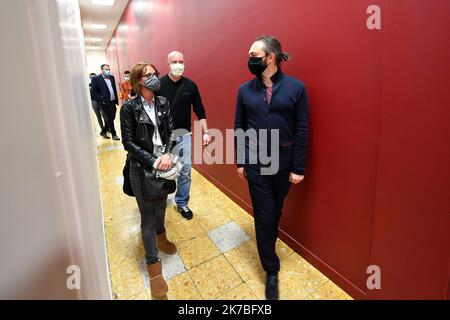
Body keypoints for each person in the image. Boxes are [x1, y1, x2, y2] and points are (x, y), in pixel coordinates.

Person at [234, 35, 309, 300]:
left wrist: (298, 167)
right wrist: (241, 160)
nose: (250, 59)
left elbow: (302, 129)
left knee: (275, 211)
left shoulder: (296, 88)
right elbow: (240, 128)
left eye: (254, 55)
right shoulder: (244, 90)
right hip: (255, 163)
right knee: (265, 216)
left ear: (271, 57)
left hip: (284, 164)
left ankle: (268, 241)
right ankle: (271, 269)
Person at [120, 61, 177, 298]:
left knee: (162, 204)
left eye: (155, 74)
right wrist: (154, 160)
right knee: (147, 217)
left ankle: (161, 238)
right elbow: (128, 142)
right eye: (147, 75)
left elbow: (172, 132)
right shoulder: (129, 108)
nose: (154, 78)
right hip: (141, 167)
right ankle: (154, 270)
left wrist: (166, 155)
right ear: (137, 81)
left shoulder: (163, 102)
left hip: (163, 163)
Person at [158, 51, 211, 220]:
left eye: (181, 61)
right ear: (167, 64)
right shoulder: (158, 85)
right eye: (174, 61)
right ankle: (159, 198)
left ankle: (181, 202)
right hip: (162, 137)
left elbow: (200, 110)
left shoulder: (190, 86)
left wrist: (206, 132)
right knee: (161, 170)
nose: (178, 64)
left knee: (185, 171)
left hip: (184, 135)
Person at [91, 64, 120, 140]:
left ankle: (103, 131)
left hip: (113, 101)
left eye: (108, 69)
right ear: (102, 70)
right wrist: (101, 98)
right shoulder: (96, 79)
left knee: (112, 117)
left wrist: (116, 99)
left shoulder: (111, 77)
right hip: (104, 103)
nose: (108, 71)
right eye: (106, 69)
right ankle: (114, 134)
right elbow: (93, 92)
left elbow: (113, 89)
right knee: (110, 118)